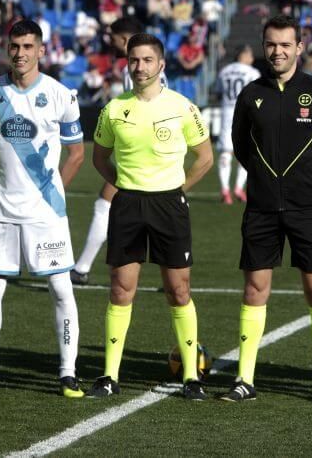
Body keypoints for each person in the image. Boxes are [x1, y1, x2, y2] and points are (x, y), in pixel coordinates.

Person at [222, 15, 312, 404]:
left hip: (308, 208)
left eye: (284, 45)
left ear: (299, 47)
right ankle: (245, 379)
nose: (277, 52)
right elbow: (240, 144)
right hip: (261, 208)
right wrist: (262, 177)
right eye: (271, 44)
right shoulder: (251, 94)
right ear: (265, 47)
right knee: (255, 288)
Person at [0, 20, 86, 398]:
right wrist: (4, 180)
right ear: (7, 49)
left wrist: (51, 194)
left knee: (62, 290)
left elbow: (77, 152)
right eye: (14, 46)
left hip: (46, 215)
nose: (20, 53)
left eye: (28, 46)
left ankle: (67, 374)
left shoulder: (61, 95)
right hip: (0, 212)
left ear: (41, 50)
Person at [88, 33, 213, 400]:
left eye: (147, 60)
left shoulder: (183, 107)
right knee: (120, 288)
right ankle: (109, 375)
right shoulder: (113, 109)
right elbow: (99, 158)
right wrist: (124, 186)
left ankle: (191, 376)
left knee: (179, 289)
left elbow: (204, 157)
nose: (139, 67)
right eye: (134, 60)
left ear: (161, 65)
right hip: (128, 206)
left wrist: (178, 190)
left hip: (169, 206)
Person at [71, 17, 168, 285]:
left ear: (124, 40)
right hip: (159, 149)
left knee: (105, 204)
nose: (111, 43)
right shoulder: (153, 65)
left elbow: (139, 110)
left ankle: (81, 268)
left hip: (142, 151)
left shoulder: (133, 70)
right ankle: (172, 274)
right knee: (160, 209)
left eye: (114, 38)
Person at [216, 45, 261, 204]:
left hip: (227, 113)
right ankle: (238, 188)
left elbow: (219, 92)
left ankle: (225, 191)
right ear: (245, 55)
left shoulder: (224, 71)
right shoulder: (253, 72)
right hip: (245, 114)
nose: (252, 59)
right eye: (250, 55)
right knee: (246, 153)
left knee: (225, 153)